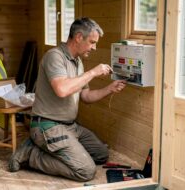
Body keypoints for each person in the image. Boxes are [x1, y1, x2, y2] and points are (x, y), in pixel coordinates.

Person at [9, 17, 126, 182]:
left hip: (70, 126)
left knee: (101, 154)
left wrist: (109, 89)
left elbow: (85, 96)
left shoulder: (78, 62)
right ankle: (31, 154)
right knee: (86, 171)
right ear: (78, 37)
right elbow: (62, 90)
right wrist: (93, 73)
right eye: (92, 42)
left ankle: (53, 147)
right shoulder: (54, 57)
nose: (94, 47)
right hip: (47, 126)